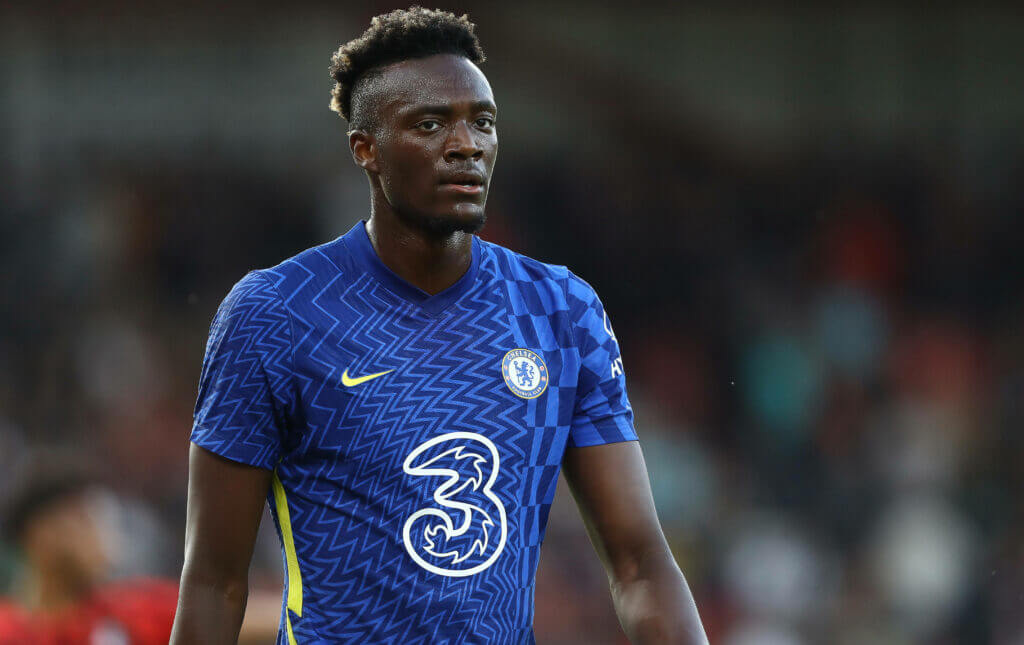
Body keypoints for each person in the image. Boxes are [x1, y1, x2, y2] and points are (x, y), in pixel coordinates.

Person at [171, 7, 708, 644]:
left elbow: (640, 563)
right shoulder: (275, 313)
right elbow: (214, 581)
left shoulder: (560, 310)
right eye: (430, 124)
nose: (466, 145)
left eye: (482, 122)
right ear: (365, 149)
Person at [0, 456, 178, 644]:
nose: (102, 536)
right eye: (85, 519)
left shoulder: (146, 611)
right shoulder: (8, 632)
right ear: (43, 534)